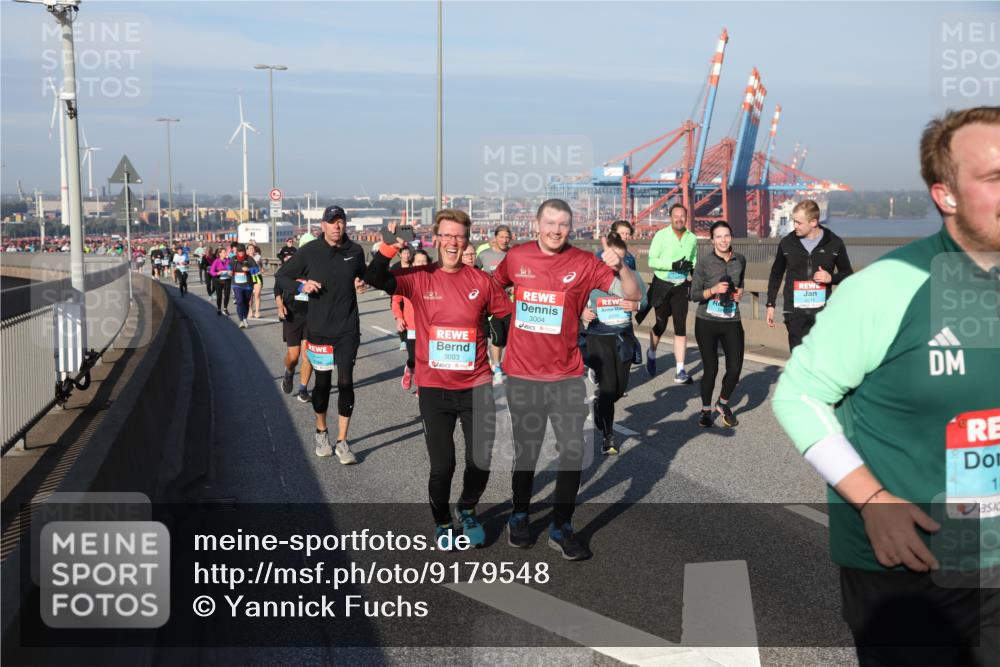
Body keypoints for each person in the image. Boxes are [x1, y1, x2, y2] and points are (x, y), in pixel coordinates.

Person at [773, 107, 1000, 667]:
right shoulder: (889, 287)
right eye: (995, 180)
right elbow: (799, 395)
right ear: (945, 195)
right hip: (909, 562)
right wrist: (872, 500)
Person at [492, 198, 641, 560]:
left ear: (570, 228)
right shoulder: (518, 256)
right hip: (524, 374)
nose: (556, 230)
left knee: (572, 453)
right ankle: (520, 516)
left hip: (567, 373)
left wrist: (621, 268)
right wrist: (508, 314)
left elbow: (632, 298)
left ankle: (562, 526)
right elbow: (494, 286)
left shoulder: (584, 262)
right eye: (550, 223)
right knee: (527, 451)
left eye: (563, 225)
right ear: (536, 224)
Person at [365, 210, 512, 548]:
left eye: (458, 236)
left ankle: (468, 508)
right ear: (435, 239)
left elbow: (505, 318)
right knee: (443, 466)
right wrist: (388, 246)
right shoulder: (419, 276)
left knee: (481, 460)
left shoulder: (482, 281)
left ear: (467, 239)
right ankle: (443, 520)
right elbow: (375, 278)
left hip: (476, 384)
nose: (452, 242)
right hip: (434, 388)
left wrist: (499, 330)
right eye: (446, 235)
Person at [275, 205, 367, 465]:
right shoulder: (310, 251)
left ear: (345, 224)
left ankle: (342, 441)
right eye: (331, 222)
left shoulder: (355, 251)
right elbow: (282, 276)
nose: (337, 226)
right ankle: (321, 432)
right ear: (323, 226)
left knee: (346, 382)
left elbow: (362, 276)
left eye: (341, 221)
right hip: (318, 330)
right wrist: (302, 284)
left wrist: (361, 283)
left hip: (347, 328)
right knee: (323, 385)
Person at [581, 231, 647, 455]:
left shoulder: (632, 277)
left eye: (620, 259)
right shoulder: (591, 277)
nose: (615, 263)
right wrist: (583, 313)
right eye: (611, 258)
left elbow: (645, 302)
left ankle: (600, 404)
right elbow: (574, 301)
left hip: (623, 337)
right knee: (609, 386)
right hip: (599, 337)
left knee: (618, 389)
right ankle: (608, 437)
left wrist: (636, 306)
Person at [766, 199, 853, 349]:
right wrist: (770, 304)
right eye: (794, 222)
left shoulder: (834, 243)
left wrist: (831, 278)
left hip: (822, 314)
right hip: (794, 313)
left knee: (821, 359)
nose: (795, 226)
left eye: (799, 223)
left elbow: (848, 274)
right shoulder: (787, 243)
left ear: (813, 222)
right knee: (800, 359)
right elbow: (776, 274)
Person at [690, 221, 746, 428]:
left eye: (727, 236)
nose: (724, 240)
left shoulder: (740, 260)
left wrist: (740, 293)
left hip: (732, 319)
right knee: (711, 369)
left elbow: (740, 285)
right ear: (712, 239)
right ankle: (705, 409)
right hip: (707, 322)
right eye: (719, 236)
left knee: (735, 368)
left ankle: (722, 403)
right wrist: (713, 290)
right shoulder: (704, 263)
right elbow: (694, 294)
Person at [636, 203, 698, 383]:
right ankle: (652, 352)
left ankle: (680, 370)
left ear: (686, 218)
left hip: (680, 286)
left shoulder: (692, 238)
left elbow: (694, 259)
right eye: (675, 216)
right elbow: (652, 261)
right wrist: (673, 265)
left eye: (682, 216)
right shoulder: (661, 236)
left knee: (680, 327)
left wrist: (693, 276)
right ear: (670, 218)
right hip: (662, 285)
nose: (679, 219)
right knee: (661, 326)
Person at [475, 224, 514, 383]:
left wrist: (513, 286)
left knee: (510, 339)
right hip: (491, 305)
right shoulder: (484, 255)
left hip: (511, 303)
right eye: (502, 237)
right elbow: (474, 273)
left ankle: (503, 362)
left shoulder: (513, 254)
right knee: (497, 338)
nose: (505, 240)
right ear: (495, 238)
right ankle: (497, 366)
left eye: (507, 237)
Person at [274, 251, 314, 404]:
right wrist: (279, 305)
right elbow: (278, 287)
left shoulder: (317, 269)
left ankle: (303, 390)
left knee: (308, 355)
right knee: (293, 356)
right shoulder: (292, 268)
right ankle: (289, 372)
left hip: (311, 317)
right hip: (292, 315)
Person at [392, 250, 429, 392]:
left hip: (428, 327)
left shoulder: (433, 279)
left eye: (424, 261)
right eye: (418, 261)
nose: (421, 264)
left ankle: (422, 386)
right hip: (412, 326)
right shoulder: (405, 279)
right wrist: (399, 317)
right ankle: (409, 370)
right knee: (414, 358)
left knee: (426, 358)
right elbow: (396, 300)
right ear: (413, 263)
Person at [231, 244, 259, 328]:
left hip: (247, 285)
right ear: (237, 252)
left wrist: (249, 269)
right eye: (239, 251)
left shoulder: (249, 259)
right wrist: (229, 270)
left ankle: (245, 318)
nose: (240, 253)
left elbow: (256, 269)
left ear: (244, 251)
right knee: (239, 301)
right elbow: (229, 266)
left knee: (246, 302)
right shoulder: (233, 259)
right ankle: (241, 321)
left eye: (242, 251)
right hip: (236, 284)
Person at [209, 250, 233, 315]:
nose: (225, 253)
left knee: (227, 295)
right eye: (224, 252)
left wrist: (231, 272)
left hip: (227, 279)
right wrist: (217, 273)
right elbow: (211, 272)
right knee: (219, 296)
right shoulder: (216, 261)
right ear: (220, 254)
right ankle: (219, 308)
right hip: (218, 280)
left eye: (226, 252)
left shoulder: (229, 260)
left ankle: (225, 308)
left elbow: (232, 269)